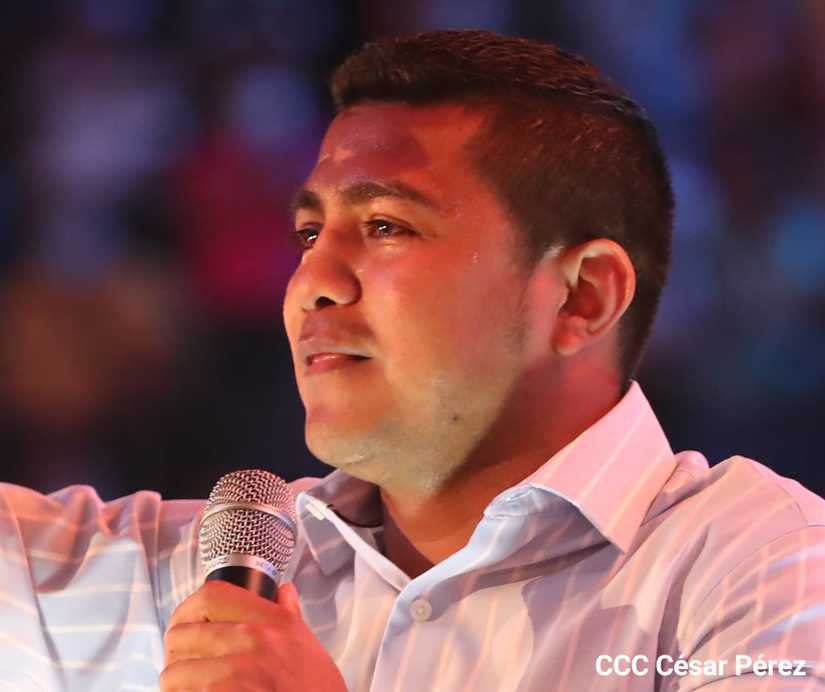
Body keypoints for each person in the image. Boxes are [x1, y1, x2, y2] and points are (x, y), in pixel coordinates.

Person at [1, 30, 823, 691]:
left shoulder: (761, 562)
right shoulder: (225, 578)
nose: (310, 283)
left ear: (581, 297)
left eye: (386, 226)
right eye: (308, 234)